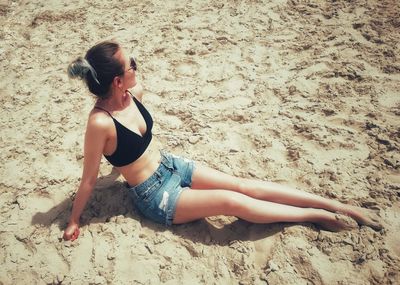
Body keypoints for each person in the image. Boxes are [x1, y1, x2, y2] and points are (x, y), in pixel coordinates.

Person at [63, 40, 381, 241]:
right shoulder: (99, 123)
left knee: (242, 184)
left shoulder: (135, 94)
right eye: (130, 63)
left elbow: (124, 152)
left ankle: (338, 205)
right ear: (117, 81)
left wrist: (118, 170)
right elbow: (89, 179)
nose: (136, 63)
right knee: (231, 203)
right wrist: (73, 220)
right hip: (155, 195)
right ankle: (317, 216)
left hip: (172, 165)